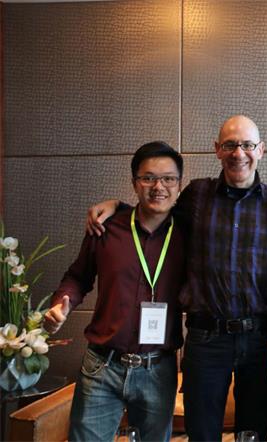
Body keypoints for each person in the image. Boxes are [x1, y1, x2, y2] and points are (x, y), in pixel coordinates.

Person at [86, 115, 267, 441]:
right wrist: (118, 206)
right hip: (206, 338)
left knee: (253, 435)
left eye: (247, 145)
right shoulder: (197, 195)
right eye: (230, 145)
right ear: (217, 149)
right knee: (201, 434)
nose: (238, 153)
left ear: (261, 150)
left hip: (259, 338)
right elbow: (155, 213)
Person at [44, 141, 186, 441]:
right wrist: (62, 304)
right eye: (148, 178)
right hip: (102, 366)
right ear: (134, 183)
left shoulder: (189, 234)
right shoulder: (105, 228)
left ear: (179, 184)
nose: (158, 187)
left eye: (168, 179)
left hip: (158, 369)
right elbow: (78, 277)